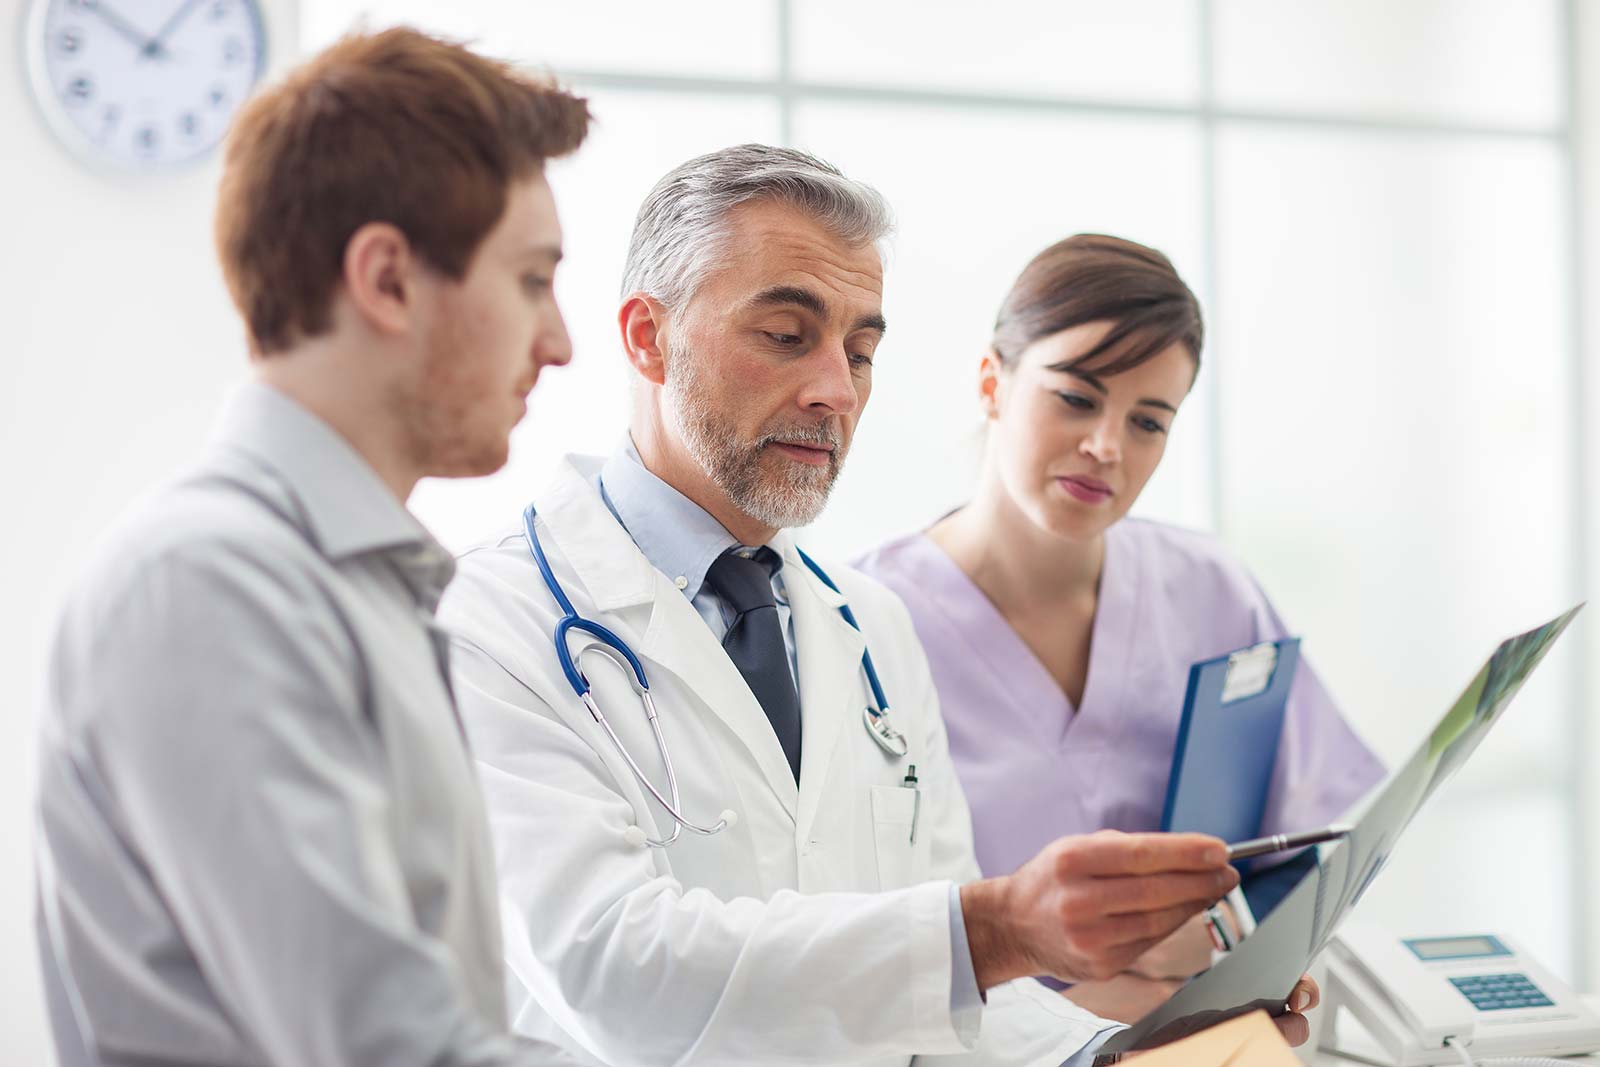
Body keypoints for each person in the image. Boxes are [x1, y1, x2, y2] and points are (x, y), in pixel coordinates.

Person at [438, 145, 1316, 1067]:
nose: (836, 390)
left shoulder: (867, 626)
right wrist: (996, 930)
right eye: (785, 334)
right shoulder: (488, 629)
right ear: (647, 338)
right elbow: (612, 970)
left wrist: (1116, 1052)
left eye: (861, 351)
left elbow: (953, 998)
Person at [33, 29, 589, 1067]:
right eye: (530, 280)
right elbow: (385, 1044)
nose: (558, 342)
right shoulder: (205, 585)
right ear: (384, 279)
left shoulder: (360, 587)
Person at [854, 234, 1384, 1020]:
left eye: (1149, 421)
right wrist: (1080, 1012)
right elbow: (850, 933)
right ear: (992, 382)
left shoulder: (1211, 591)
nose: (1107, 447)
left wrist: (1228, 937)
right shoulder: (865, 622)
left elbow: (1322, 837)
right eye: (1076, 397)